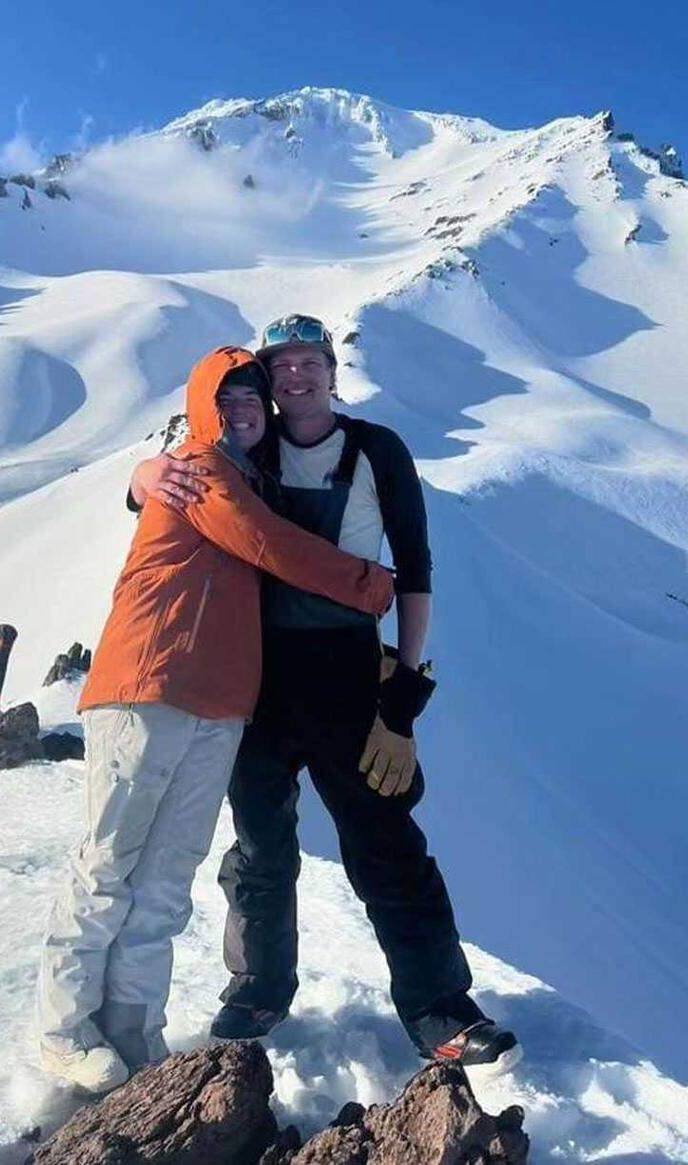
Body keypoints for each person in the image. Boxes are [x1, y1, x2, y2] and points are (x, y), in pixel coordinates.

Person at [128, 315, 521, 1072]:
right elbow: (180, 476)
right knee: (261, 843)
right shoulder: (252, 448)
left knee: (385, 840)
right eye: (283, 367)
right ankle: (258, 987)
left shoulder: (377, 450)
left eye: (311, 363)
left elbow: (415, 570)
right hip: (257, 674)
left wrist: (405, 690)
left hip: (347, 676)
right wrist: (142, 475)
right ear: (270, 383)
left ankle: (439, 1004)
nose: (297, 378)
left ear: (333, 372)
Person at [37, 345, 394, 1094]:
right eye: (227, 398)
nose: (242, 411)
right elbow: (270, 544)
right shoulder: (199, 467)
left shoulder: (247, 476)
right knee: (109, 865)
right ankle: (64, 1031)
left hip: (220, 702)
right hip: (150, 682)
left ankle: (134, 1032)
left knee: (166, 877)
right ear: (203, 406)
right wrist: (368, 584)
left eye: (252, 400)